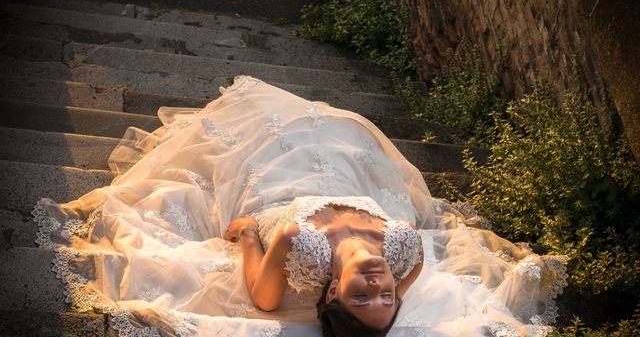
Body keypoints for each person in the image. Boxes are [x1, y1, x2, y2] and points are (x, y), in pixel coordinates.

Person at [33, 76, 567, 337]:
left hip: (277, 185)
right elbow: (410, 270)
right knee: (331, 125)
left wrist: (246, 235)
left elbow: (265, 303)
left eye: (365, 295)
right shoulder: (404, 248)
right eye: (387, 295)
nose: (380, 284)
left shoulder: (299, 248)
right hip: (345, 170)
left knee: (262, 126)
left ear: (333, 290)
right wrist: (398, 291)